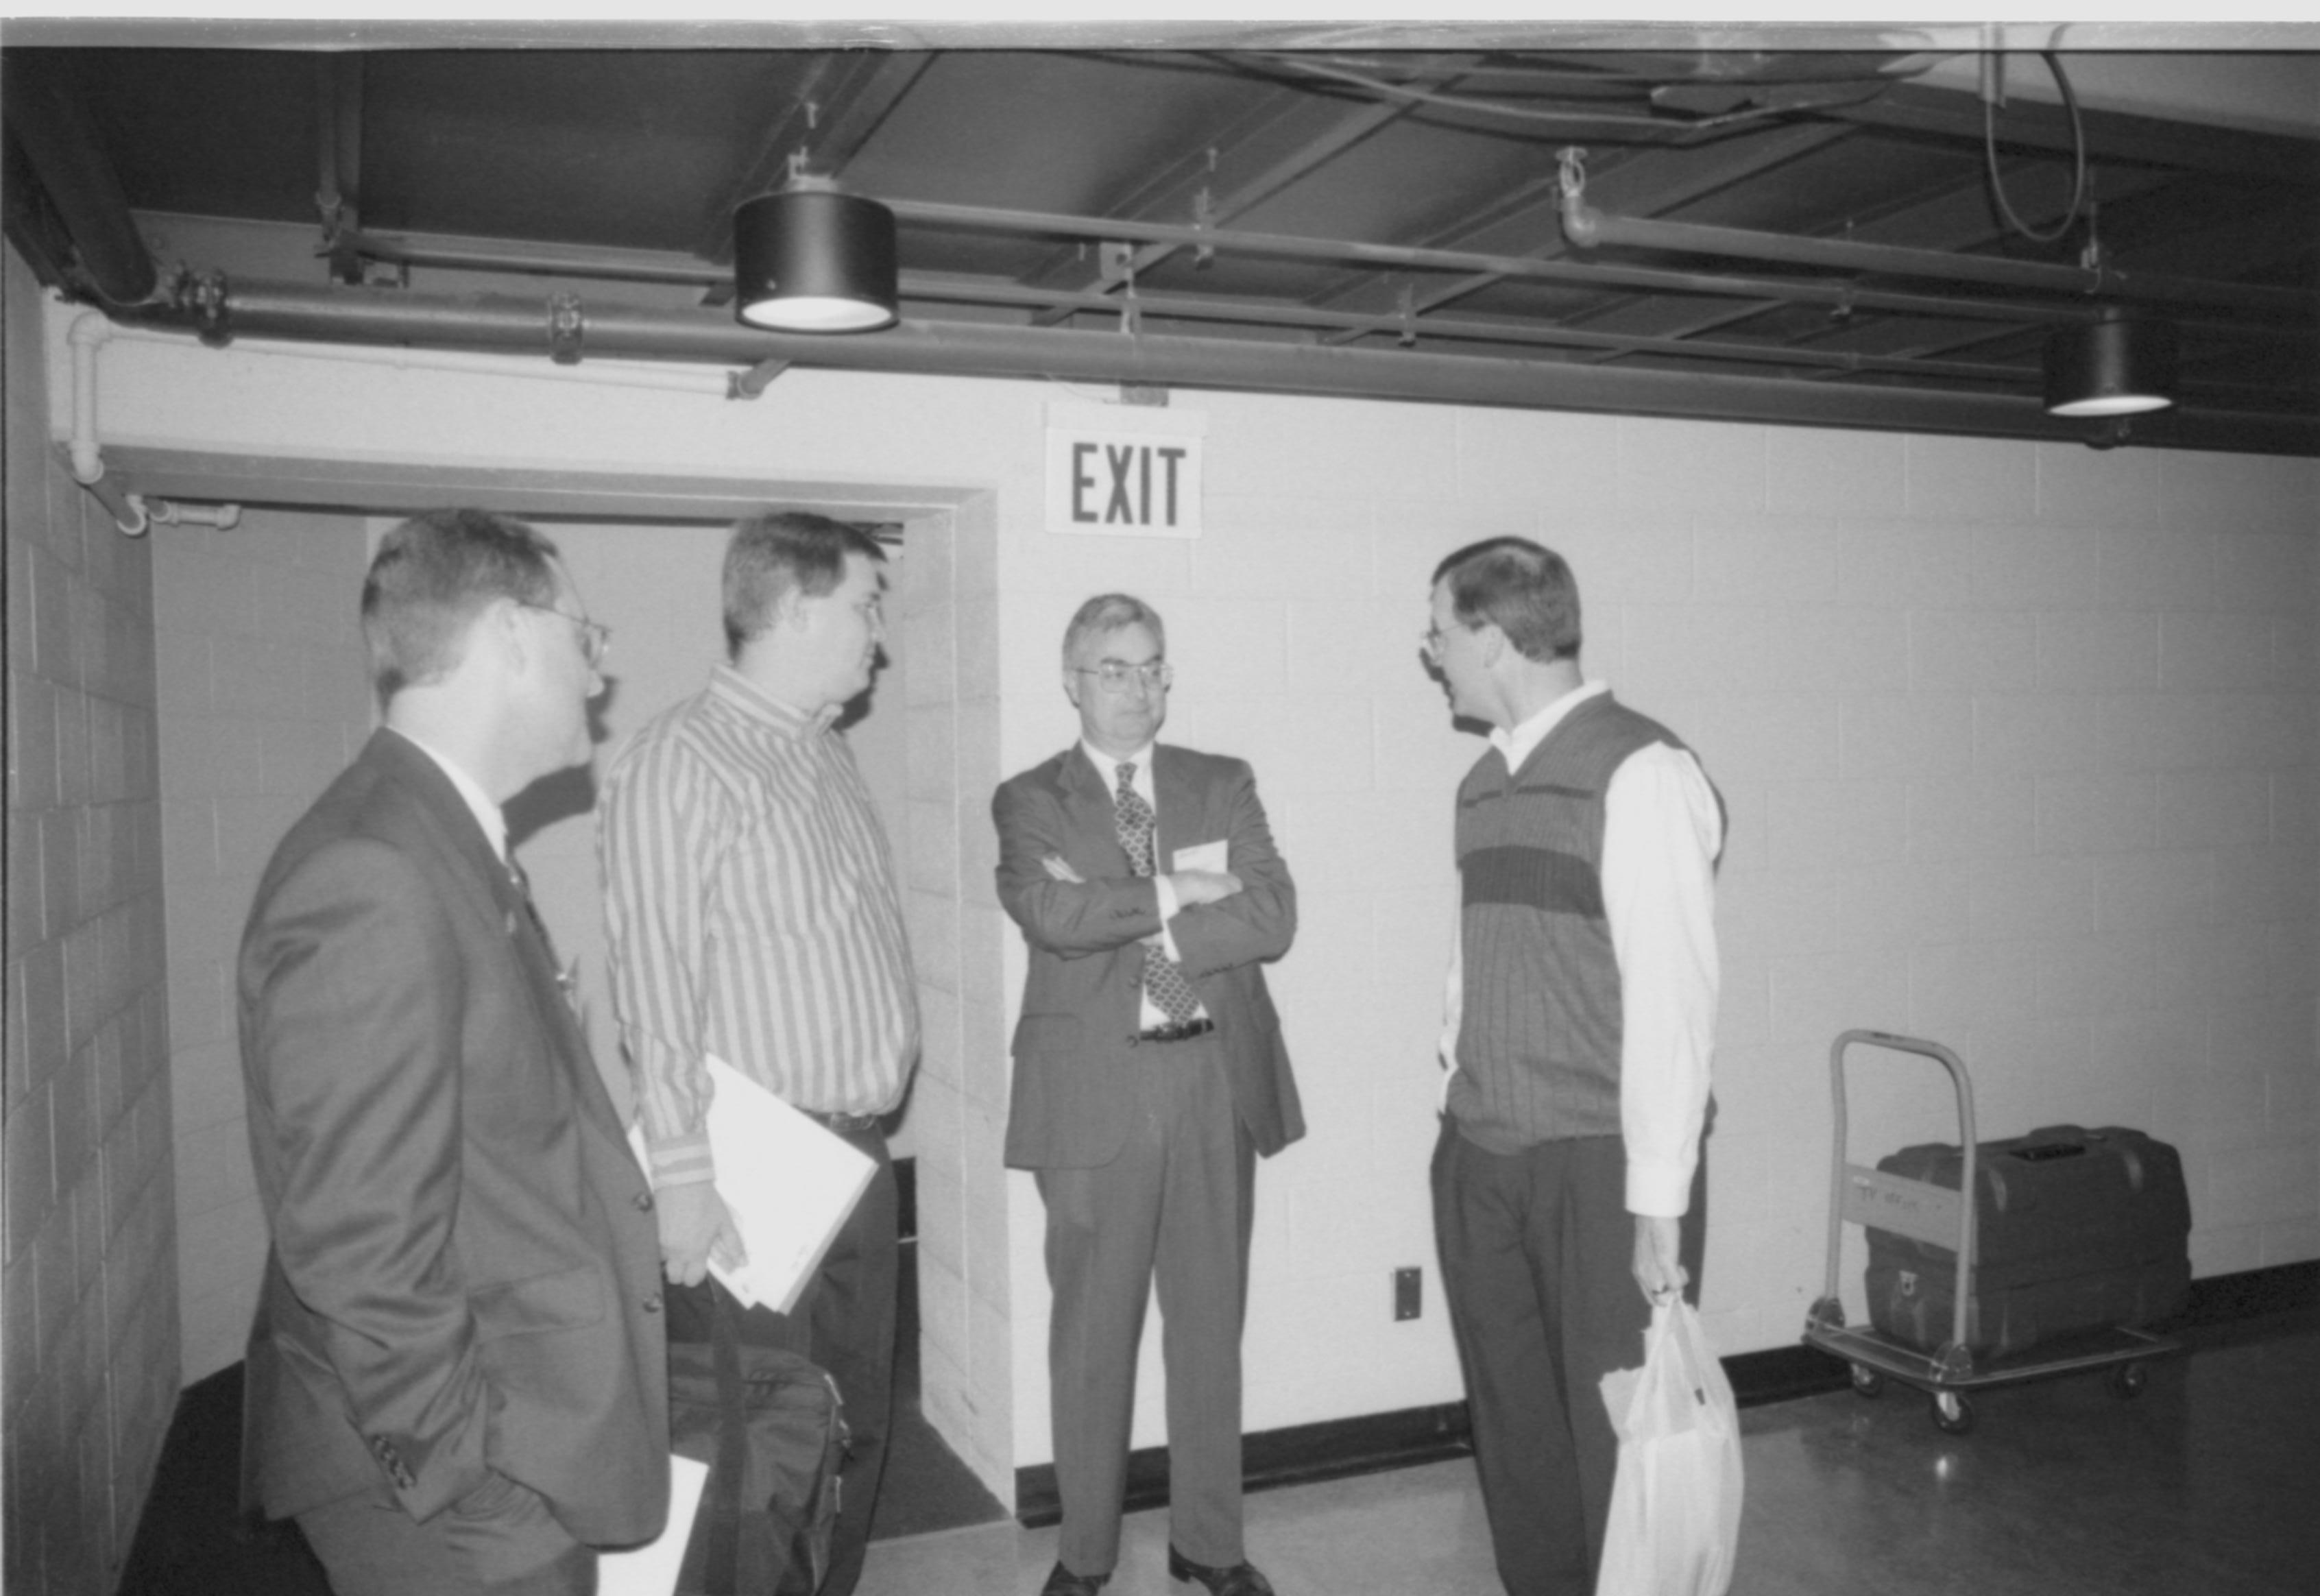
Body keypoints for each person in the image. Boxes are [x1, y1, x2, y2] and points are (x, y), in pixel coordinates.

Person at [237, 509, 668, 1596]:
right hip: (456, 1500)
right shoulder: (374, 874)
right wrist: (469, 1481)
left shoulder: (432, 835)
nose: (599, 670)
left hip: (506, 1448)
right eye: (587, 633)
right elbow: (359, 1245)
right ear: (514, 635)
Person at [598, 509, 919, 1596]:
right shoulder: (680, 760)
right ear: (791, 608)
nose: (881, 631)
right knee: (755, 1457)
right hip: (748, 1181)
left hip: (854, 1162)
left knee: (853, 1437)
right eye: (866, 604)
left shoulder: (824, 755)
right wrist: (682, 1180)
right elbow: (655, 982)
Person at [1421, 537, 1721, 1596]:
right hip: (1484, 1158)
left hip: (1598, 1171)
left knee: (1620, 1451)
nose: (1431, 653)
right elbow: (1473, 968)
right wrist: (1458, 1105)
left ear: (1493, 638)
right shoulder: (1480, 785)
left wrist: (1657, 1201)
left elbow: (1674, 1001)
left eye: (1441, 632)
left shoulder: (1640, 770)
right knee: (1516, 1440)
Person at [993, 594, 1301, 1596]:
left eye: (1153, 667)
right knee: (1093, 1335)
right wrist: (1183, 892)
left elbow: (1273, 917)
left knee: (1210, 1328)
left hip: (1213, 1080)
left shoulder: (1223, 781)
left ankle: (1210, 1545)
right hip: (1092, 1094)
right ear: (1072, 680)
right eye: (1115, 670)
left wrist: (1124, 905)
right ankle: (1085, 1555)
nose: (1139, 690)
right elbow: (1049, 914)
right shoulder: (1028, 799)